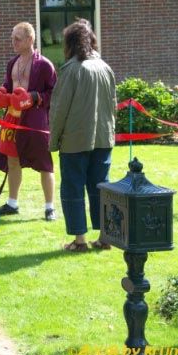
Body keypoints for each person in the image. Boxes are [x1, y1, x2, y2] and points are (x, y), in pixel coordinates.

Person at [49, 19, 116, 251]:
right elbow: (113, 106)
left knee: (72, 188)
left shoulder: (71, 70)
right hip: (103, 139)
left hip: (75, 141)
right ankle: (105, 237)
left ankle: (80, 241)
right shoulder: (105, 67)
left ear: (70, 43)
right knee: (101, 188)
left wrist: (53, 140)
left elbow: (59, 110)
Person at [0, 22, 57, 221]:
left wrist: (35, 97)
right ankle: (12, 203)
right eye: (12, 38)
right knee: (12, 160)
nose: (13, 42)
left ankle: (49, 207)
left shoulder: (44, 64)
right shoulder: (12, 63)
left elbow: (54, 93)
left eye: (17, 39)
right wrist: (2, 92)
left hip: (34, 120)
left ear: (30, 40)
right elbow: (9, 85)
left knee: (44, 163)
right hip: (12, 118)